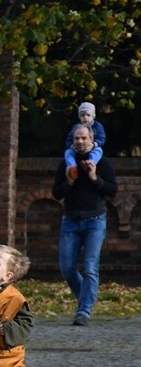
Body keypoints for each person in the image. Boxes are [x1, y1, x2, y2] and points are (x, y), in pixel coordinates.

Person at [53, 124, 118, 326]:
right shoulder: (66, 164)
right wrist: (69, 183)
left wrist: (93, 178)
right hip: (70, 220)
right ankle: (86, 297)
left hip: (95, 221)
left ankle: (84, 311)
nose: (79, 142)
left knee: (90, 267)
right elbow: (56, 193)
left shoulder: (103, 163)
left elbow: (112, 190)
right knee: (66, 267)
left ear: (92, 140)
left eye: (83, 138)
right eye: (76, 139)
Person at [62, 102, 106, 170]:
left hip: (92, 147)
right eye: (82, 115)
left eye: (88, 115)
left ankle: (90, 164)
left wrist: (94, 144)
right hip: (77, 148)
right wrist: (72, 146)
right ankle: (72, 167)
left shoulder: (98, 126)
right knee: (68, 152)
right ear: (79, 117)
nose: (85, 117)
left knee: (99, 150)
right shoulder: (76, 127)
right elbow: (69, 139)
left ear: (93, 116)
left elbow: (102, 138)